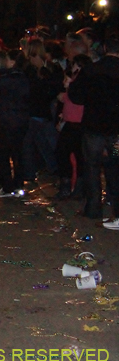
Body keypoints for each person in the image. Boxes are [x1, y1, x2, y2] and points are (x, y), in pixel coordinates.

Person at [67, 36, 119, 224]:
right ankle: (116, 209)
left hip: (94, 128)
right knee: (114, 166)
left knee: (92, 166)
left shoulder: (92, 70)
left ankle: (93, 207)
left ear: (105, 47)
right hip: (116, 131)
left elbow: (76, 96)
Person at [0, 49, 30, 198]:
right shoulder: (20, 77)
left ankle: (8, 186)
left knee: (3, 153)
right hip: (20, 118)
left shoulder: (4, 79)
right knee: (17, 153)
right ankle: (18, 184)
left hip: (7, 119)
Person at [22, 38, 62, 184]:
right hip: (35, 110)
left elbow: (54, 88)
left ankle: (31, 173)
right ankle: (52, 168)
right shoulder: (30, 69)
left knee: (35, 141)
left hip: (43, 110)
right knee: (41, 141)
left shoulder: (51, 69)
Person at [55, 53, 92, 199]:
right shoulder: (76, 82)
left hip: (77, 123)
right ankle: (72, 186)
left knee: (68, 154)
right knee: (69, 155)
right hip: (72, 122)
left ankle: (73, 187)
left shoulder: (80, 83)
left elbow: (74, 101)